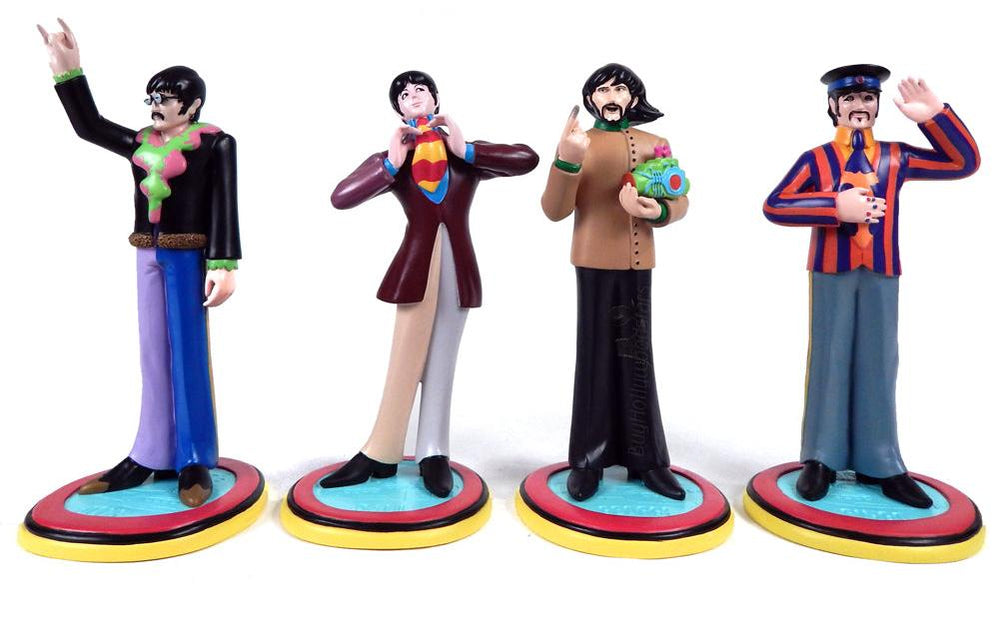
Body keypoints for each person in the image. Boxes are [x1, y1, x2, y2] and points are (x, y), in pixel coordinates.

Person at [38, 20, 241, 507]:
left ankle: (194, 456)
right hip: (146, 252)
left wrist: (224, 261)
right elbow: (89, 126)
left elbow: (225, 204)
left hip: (188, 256)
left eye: (166, 98)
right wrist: (69, 72)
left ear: (192, 105)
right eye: (152, 97)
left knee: (187, 352)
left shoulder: (215, 144)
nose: (156, 105)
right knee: (152, 351)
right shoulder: (142, 142)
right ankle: (150, 453)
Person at [763, 64, 979, 507]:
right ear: (832, 106)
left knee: (880, 359)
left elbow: (963, 163)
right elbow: (775, 205)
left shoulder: (896, 157)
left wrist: (935, 117)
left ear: (878, 105)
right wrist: (833, 206)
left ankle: (881, 459)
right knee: (830, 356)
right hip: (832, 268)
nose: (859, 106)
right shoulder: (817, 159)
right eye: (849, 98)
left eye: (867, 98)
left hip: (881, 267)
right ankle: (820, 457)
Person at [326, 70, 538, 497]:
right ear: (398, 109)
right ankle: (380, 450)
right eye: (404, 94)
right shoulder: (397, 159)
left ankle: (433, 451)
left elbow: (527, 159)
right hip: (416, 267)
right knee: (404, 359)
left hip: (458, 267)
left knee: (442, 361)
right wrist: (390, 164)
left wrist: (467, 149)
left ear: (436, 99)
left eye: (420, 89)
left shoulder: (463, 156)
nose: (413, 96)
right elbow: (341, 197)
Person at [540, 63, 689, 502]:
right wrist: (567, 158)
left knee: (638, 358)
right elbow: (554, 209)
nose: (611, 96)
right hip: (592, 259)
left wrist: (659, 211)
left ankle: (648, 459)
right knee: (594, 357)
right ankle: (588, 459)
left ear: (633, 98)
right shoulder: (581, 143)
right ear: (590, 98)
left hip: (639, 264)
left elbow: (679, 195)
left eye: (619, 89)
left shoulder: (654, 143)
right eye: (602, 89)